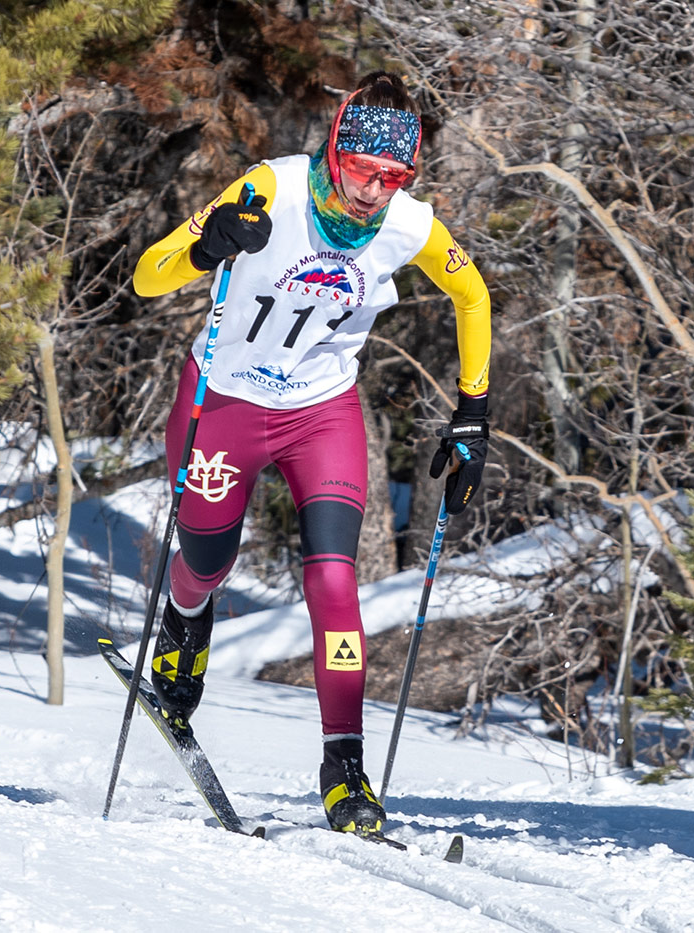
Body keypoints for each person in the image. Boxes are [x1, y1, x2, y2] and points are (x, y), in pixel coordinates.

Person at [132, 72, 491, 836]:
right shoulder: (273, 189)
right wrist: (206, 246)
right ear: (336, 151)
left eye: (395, 177)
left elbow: (473, 297)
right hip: (225, 400)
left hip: (321, 411)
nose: (375, 192)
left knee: (334, 579)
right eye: (365, 171)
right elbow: (147, 273)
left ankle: (344, 768)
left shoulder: (411, 226)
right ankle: (184, 630)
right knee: (205, 559)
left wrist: (474, 410)